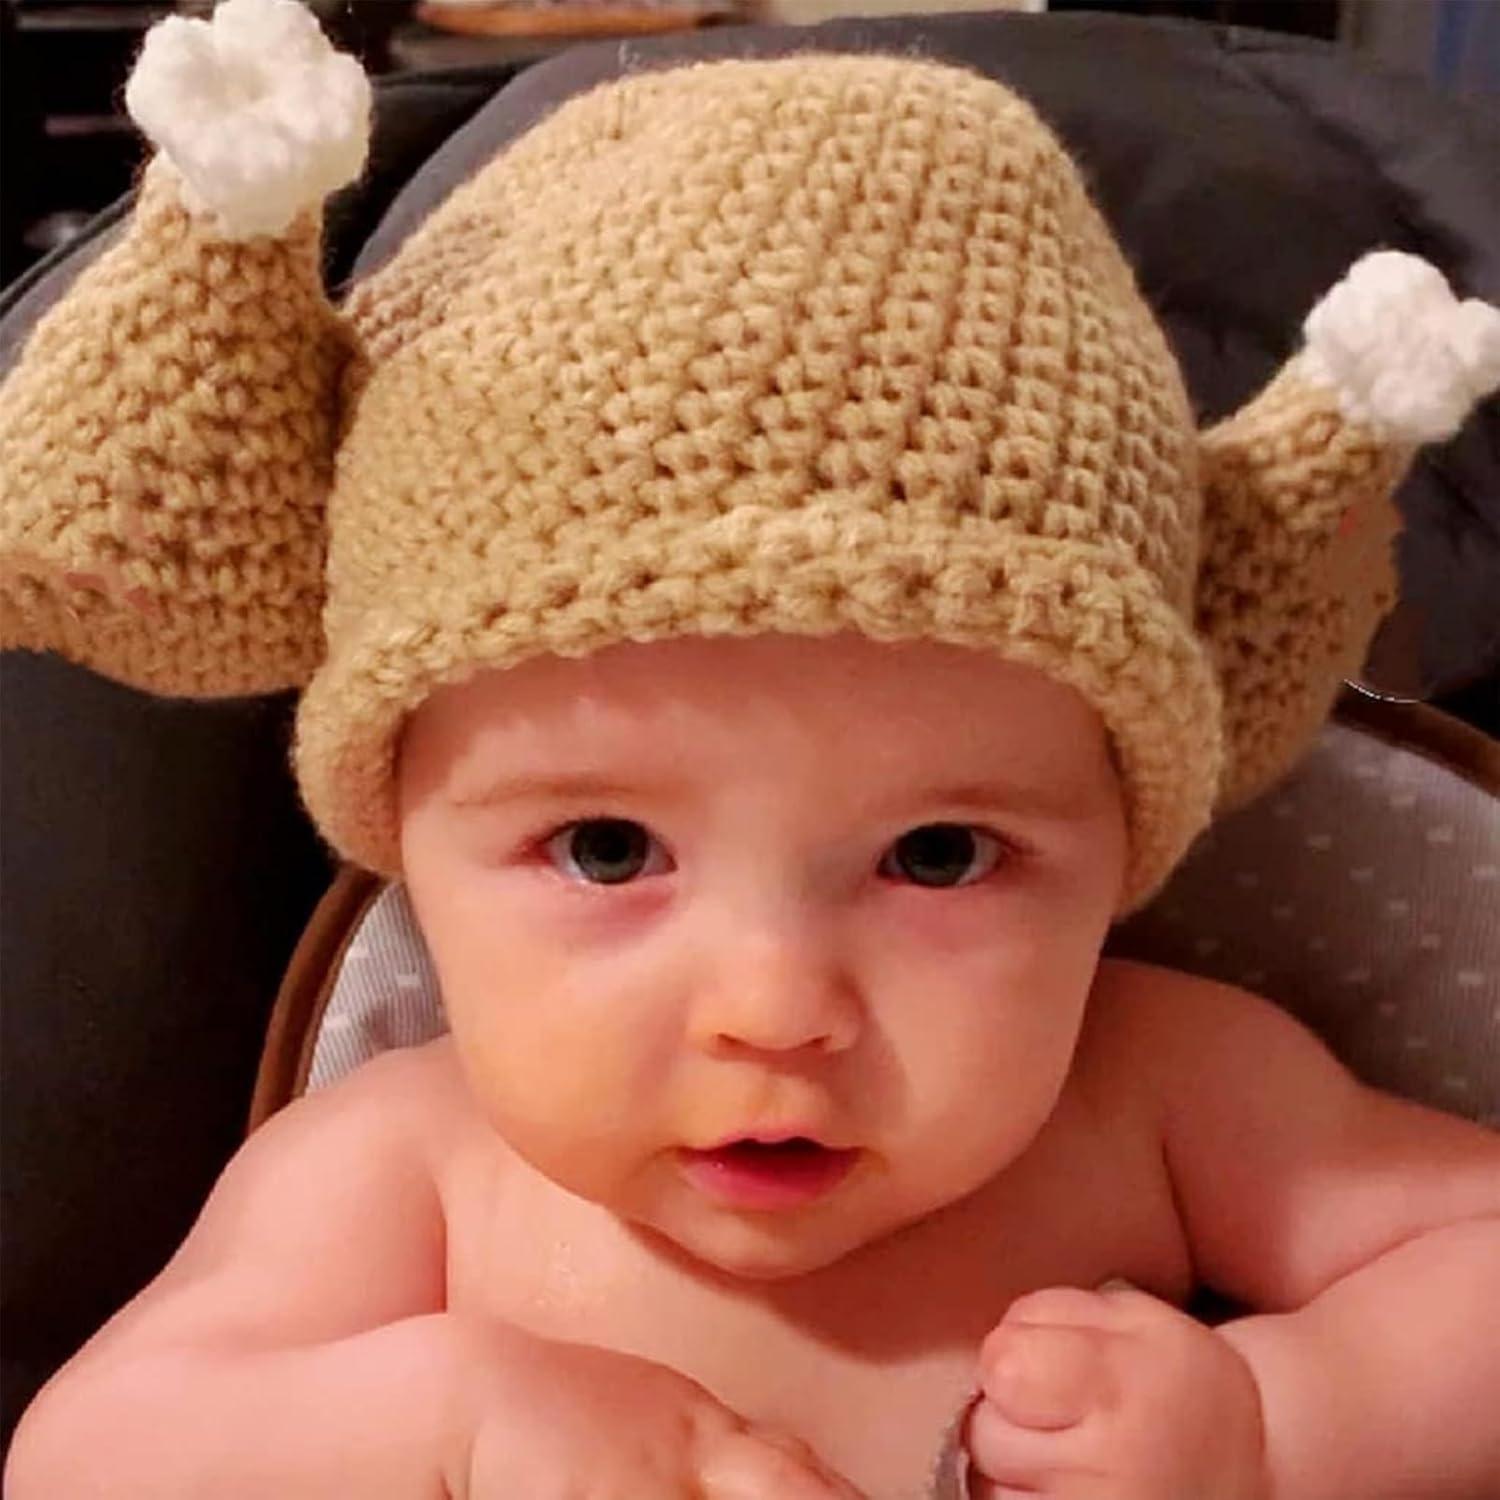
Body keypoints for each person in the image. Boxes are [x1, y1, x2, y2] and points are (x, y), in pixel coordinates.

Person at [3, 1, 1498, 1496]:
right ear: (404, 831)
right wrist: (441, 1420)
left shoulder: (1158, 1094)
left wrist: (1280, 1420)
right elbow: (84, 1460)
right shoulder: (406, 1170)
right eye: (606, 850)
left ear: (1123, 841)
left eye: (939, 855)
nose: (775, 1011)